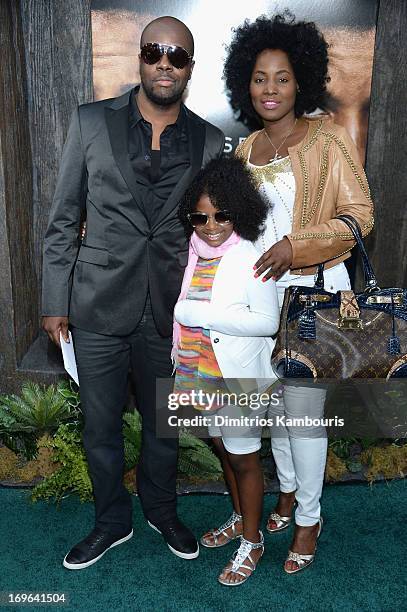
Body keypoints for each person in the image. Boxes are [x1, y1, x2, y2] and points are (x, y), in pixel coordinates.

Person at [41, 15, 224, 569]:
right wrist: (55, 299)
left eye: (178, 55)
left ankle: (162, 510)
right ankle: (111, 520)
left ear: (190, 68)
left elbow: (214, 233)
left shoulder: (212, 141)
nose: (164, 63)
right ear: (140, 59)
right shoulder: (91, 122)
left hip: (173, 308)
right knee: (100, 424)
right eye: (154, 52)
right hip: (96, 301)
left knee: (165, 424)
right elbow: (63, 217)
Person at [224, 12, 374, 574]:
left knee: (305, 417)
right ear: (247, 84)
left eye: (281, 78)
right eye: (260, 78)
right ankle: (286, 495)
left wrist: (298, 244)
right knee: (275, 415)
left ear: (300, 81)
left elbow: (362, 217)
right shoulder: (245, 150)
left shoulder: (328, 139)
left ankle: (309, 518)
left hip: (314, 294)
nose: (270, 88)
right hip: (258, 301)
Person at [173, 157, 280, 585]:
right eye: (200, 216)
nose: (210, 225)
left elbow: (267, 323)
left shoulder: (251, 257)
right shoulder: (193, 254)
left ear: (239, 211)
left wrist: (201, 313)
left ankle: (252, 542)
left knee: (244, 459)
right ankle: (239, 519)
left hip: (238, 377)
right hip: (200, 373)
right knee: (225, 452)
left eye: (221, 215)